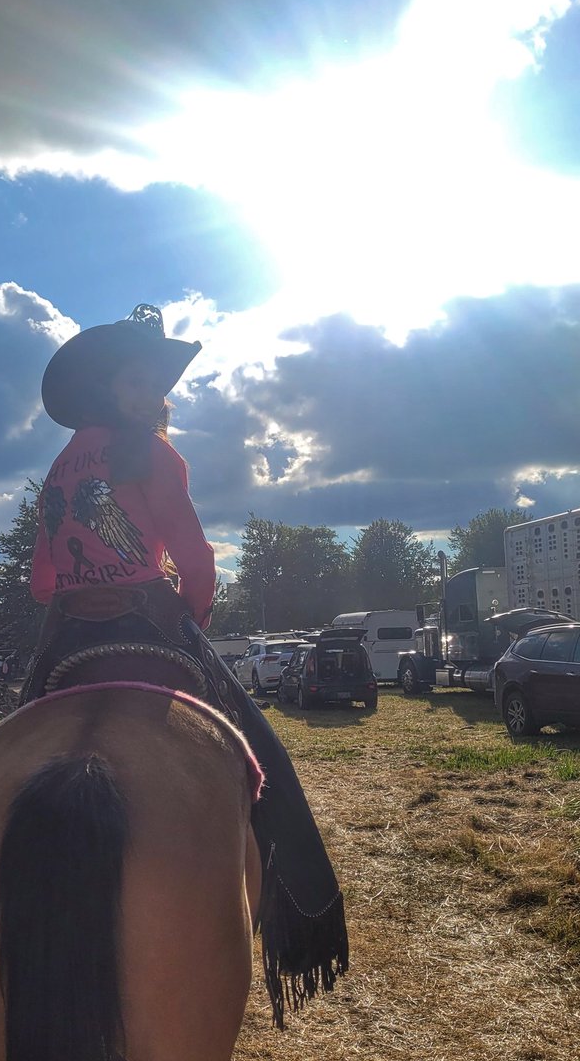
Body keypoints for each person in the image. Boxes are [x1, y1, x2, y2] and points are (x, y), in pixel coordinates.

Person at [21, 304, 348, 1023]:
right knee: (263, 750)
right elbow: (195, 558)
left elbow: (43, 577)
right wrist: (191, 616)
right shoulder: (155, 454)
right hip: (148, 613)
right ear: (109, 390)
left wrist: (76, 583)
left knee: (16, 728)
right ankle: (305, 914)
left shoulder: (61, 463)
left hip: (68, 626)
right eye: (135, 383)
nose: (149, 396)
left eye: (154, 384)